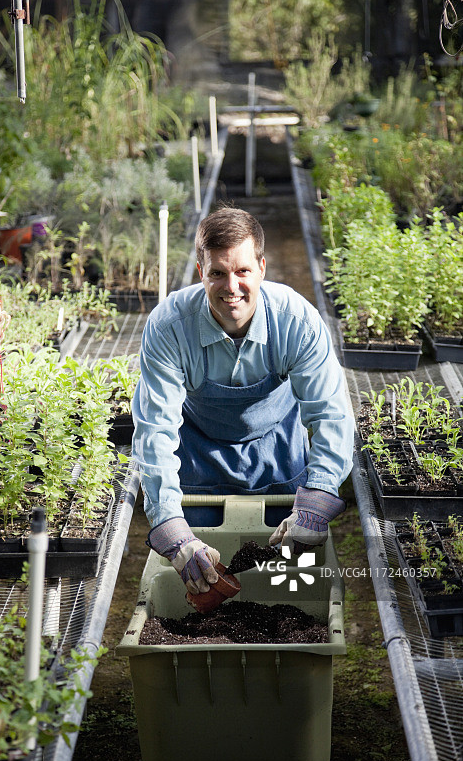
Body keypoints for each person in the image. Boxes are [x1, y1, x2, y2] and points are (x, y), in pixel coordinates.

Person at [132, 206, 354, 596]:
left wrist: (319, 495)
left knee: (287, 585)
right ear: (201, 272)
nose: (231, 286)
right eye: (218, 272)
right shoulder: (170, 328)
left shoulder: (296, 322)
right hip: (199, 453)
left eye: (242, 271)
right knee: (202, 574)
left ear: (262, 268)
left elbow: (331, 413)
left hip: (278, 447)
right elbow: (155, 428)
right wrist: (169, 524)